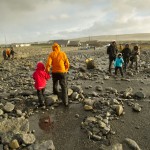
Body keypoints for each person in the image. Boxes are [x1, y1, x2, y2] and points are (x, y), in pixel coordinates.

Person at [45, 43, 70, 107]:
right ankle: (66, 102)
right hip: (62, 72)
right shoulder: (63, 53)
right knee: (64, 86)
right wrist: (66, 70)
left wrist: (47, 71)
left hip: (54, 72)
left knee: (55, 83)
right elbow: (67, 63)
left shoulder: (51, 54)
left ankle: (55, 95)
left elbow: (48, 64)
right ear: (59, 47)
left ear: (53, 48)